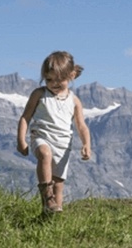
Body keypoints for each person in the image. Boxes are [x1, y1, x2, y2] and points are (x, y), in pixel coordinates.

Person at [17, 51, 91, 213]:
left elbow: (81, 125)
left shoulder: (74, 100)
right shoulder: (39, 94)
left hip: (63, 144)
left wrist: (86, 144)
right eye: (49, 80)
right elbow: (25, 117)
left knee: (58, 183)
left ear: (71, 76)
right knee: (45, 154)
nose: (54, 84)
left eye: (60, 80)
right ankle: (46, 195)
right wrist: (21, 140)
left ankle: (53, 215)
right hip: (42, 137)